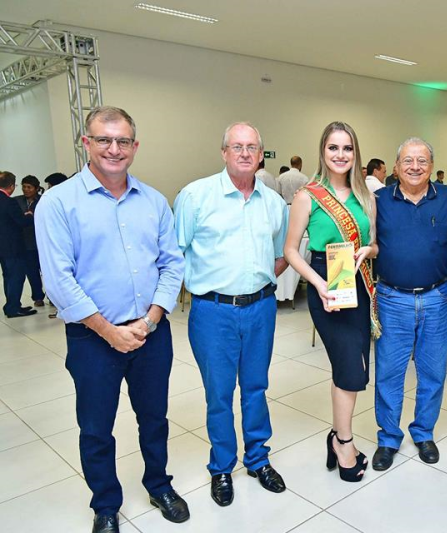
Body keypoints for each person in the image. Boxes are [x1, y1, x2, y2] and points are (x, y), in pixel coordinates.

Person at [35, 106, 188, 533]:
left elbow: (171, 265)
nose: (114, 149)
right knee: (97, 427)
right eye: (104, 139)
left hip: (150, 334)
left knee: (154, 419)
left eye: (123, 141)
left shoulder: (153, 201)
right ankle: (105, 504)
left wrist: (151, 321)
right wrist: (110, 332)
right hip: (92, 339)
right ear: (86, 143)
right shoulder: (58, 202)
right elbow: (58, 280)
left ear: (135, 147)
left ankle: (159, 485)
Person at [174, 122, 289, 506]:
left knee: (256, 387)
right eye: (236, 146)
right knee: (219, 394)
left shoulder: (273, 203)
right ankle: (222, 466)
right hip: (213, 312)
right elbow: (176, 252)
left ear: (260, 155)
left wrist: (253, 285)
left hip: (260, 309)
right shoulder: (195, 196)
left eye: (251, 147)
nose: (244, 153)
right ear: (223, 152)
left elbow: (279, 256)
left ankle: (257, 459)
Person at [283, 121, 377, 482]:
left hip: (360, 282)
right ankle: (343, 442)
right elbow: (291, 251)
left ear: (356, 154)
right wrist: (319, 284)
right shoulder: (308, 195)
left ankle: (338, 435)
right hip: (327, 284)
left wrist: (368, 249)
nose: (341, 155)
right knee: (350, 369)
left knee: (350, 368)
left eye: (347, 148)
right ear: (322, 151)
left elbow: (376, 246)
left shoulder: (366, 196)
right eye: (333, 148)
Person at [371, 138, 447, 471]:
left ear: (431, 166)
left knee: (433, 373)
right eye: (408, 161)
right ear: (395, 167)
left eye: (422, 160)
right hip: (393, 300)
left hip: (438, 299)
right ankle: (388, 438)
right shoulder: (378, 200)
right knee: (389, 374)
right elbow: (371, 242)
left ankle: (423, 432)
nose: (415, 167)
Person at [0, 171, 36, 318]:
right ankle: (14, 307)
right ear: (11, 186)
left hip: (2, 247)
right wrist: (29, 216)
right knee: (16, 277)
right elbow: (20, 222)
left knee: (7, 276)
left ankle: (10, 305)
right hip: (13, 246)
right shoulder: (10, 202)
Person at [15, 175, 46, 306]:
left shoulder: (43, 200)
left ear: (36, 188)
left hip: (42, 242)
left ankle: (53, 297)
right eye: (24, 187)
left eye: (29, 187)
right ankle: (38, 297)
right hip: (26, 243)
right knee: (32, 272)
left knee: (47, 272)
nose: (26, 190)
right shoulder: (16, 201)